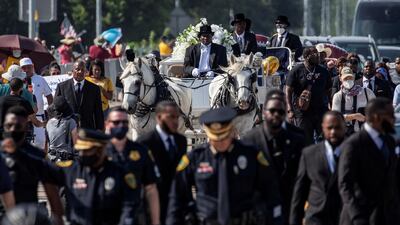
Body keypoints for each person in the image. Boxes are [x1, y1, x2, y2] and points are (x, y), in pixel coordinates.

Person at [166, 107, 282, 225]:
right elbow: (176, 197)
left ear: (231, 131)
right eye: (215, 139)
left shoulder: (251, 155)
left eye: (223, 137)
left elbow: (271, 191)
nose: (220, 142)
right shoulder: (194, 159)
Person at [242, 89, 305, 224]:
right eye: (272, 111)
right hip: (259, 210)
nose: (276, 115)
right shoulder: (249, 140)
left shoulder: (298, 138)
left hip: (289, 207)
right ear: (264, 111)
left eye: (281, 111)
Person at [338, 98, 400, 225]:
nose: (393, 119)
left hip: (385, 216)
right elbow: (345, 184)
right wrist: (356, 216)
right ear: (377, 117)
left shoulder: (389, 141)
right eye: (390, 115)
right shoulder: (354, 144)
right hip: (360, 217)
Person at [0, 106, 64, 223]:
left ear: (26, 128)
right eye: (9, 126)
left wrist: (58, 219)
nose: (13, 129)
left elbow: (52, 193)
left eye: (18, 126)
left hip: (28, 218)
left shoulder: (37, 156)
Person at [62, 128, 137, 225]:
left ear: (100, 150)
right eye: (80, 151)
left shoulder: (120, 174)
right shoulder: (73, 170)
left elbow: (129, 207)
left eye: (87, 151)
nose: (82, 154)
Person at [105, 107, 160, 225]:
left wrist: (156, 221)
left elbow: (151, 189)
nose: (121, 125)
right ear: (107, 124)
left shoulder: (141, 151)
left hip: (133, 216)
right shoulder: (99, 152)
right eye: (116, 122)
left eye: (124, 122)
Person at [290, 111, 346, 225]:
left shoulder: (355, 153)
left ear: (344, 127)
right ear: (323, 128)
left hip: (345, 218)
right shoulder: (309, 154)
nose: (333, 132)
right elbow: (299, 195)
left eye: (337, 127)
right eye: (329, 128)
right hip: (316, 218)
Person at [137, 101, 187, 224]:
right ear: (159, 117)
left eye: (177, 117)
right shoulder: (145, 142)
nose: (176, 121)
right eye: (171, 117)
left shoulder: (181, 141)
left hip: (176, 203)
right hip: (152, 204)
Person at [285, 47, 332, 145]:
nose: (318, 55)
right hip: (302, 112)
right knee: (305, 141)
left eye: (317, 53)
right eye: (314, 53)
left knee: (324, 140)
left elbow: (329, 90)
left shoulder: (323, 71)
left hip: (320, 111)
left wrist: (331, 106)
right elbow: (288, 90)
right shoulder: (296, 70)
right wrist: (289, 109)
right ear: (306, 56)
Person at [55, 60, 104, 130]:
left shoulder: (94, 89)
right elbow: (56, 109)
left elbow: (98, 112)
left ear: (86, 72)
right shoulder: (62, 87)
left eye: (82, 69)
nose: (80, 72)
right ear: (72, 71)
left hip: (88, 130)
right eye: (77, 69)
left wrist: (99, 130)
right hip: (68, 130)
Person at [20, 57, 53, 150]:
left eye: (28, 67)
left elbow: (49, 96)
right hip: (23, 119)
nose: (26, 70)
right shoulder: (18, 81)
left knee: (40, 145)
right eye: (23, 67)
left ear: (33, 66)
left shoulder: (40, 79)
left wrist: (50, 114)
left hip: (39, 117)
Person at [332, 67, 375, 134]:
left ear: (354, 77)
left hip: (365, 133)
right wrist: (354, 116)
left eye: (350, 78)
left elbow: (377, 111)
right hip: (346, 135)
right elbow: (335, 118)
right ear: (340, 79)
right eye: (345, 78)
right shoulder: (338, 96)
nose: (348, 80)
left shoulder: (367, 92)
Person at [46, 96, 78, 163]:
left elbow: (46, 144)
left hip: (51, 159)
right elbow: (76, 144)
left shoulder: (49, 123)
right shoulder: (71, 122)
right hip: (66, 160)